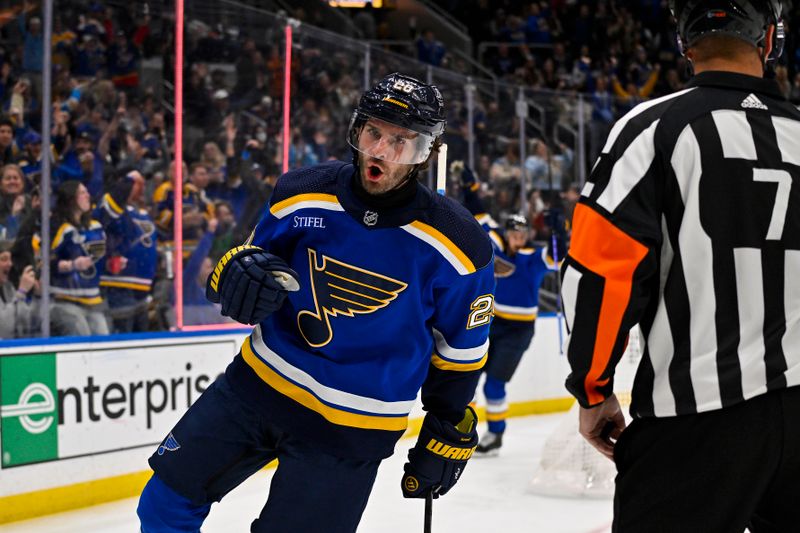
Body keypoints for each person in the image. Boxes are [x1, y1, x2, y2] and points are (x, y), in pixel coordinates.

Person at [137, 73, 495, 532]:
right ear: (357, 130)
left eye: (401, 141)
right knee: (163, 504)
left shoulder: (459, 244)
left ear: (425, 153)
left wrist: (448, 422)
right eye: (374, 133)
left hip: (354, 424)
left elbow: (462, 348)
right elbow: (244, 263)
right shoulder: (301, 191)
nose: (381, 151)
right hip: (257, 385)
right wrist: (234, 273)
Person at [560, 1, 800, 531]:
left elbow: (599, 270)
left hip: (696, 417)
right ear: (768, 41)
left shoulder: (653, 129)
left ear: (685, 43)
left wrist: (593, 389)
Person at [458, 164, 559, 455]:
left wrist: (556, 230)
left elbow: (556, 254)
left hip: (519, 331)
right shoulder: (497, 246)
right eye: (515, 233)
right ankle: (464, 428)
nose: (519, 238)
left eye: (523, 234)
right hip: (492, 323)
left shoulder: (534, 258)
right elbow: (479, 217)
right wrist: (470, 188)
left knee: (494, 387)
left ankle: (497, 435)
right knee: (469, 381)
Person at [94, 171, 157, 333]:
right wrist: (128, 179)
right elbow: (109, 208)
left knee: (142, 342)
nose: (141, 188)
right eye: (137, 184)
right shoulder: (113, 207)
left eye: (143, 184)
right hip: (119, 284)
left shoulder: (142, 213)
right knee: (123, 336)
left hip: (142, 287)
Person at [49, 180, 109, 336]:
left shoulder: (96, 227)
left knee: (103, 339)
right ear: (70, 199)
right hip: (65, 300)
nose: (88, 195)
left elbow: (101, 261)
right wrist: (72, 265)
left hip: (93, 301)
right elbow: (47, 263)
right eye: (82, 193)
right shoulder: (60, 228)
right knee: (81, 335)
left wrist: (111, 263)